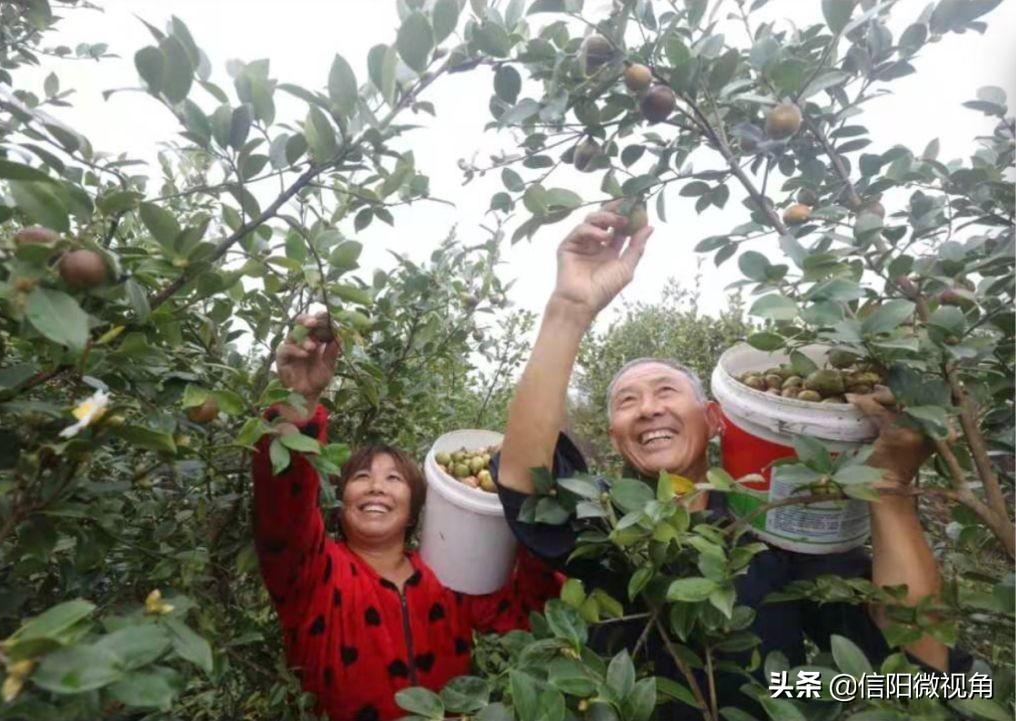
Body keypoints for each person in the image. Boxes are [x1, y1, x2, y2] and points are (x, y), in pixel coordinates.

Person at [492, 205, 970, 718]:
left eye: (666, 391)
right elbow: (525, 483)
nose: (648, 408)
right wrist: (569, 308)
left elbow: (925, 679)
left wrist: (891, 486)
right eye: (627, 402)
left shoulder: (776, 523)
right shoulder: (611, 523)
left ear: (716, 419)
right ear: (615, 437)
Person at [252, 314, 562, 721]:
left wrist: (529, 505)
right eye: (361, 477)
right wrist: (297, 405)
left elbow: (529, 611)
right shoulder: (315, 574)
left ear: (416, 506)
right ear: (341, 501)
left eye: (393, 478)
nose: (376, 487)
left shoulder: (449, 576)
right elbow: (282, 510)